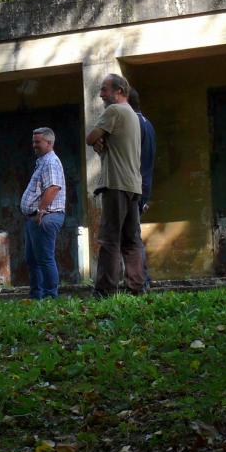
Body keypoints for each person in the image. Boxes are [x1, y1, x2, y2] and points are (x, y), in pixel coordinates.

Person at [85, 73, 145, 296]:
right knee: (132, 240)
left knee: (110, 239)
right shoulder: (131, 114)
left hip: (116, 183)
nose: (101, 94)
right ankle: (136, 288)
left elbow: (90, 137)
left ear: (119, 91)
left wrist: (98, 140)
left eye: (104, 89)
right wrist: (101, 140)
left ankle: (105, 291)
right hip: (133, 185)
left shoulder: (114, 111)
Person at [20, 127, 66, 300]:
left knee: (45, 259)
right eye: (33, 141)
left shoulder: (51, 162)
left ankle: (49, 297)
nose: (34, 145)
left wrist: (41, 210)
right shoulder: (43, 162)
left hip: (45, 217)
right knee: (33, 260)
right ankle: (36, 297)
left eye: (37, 142)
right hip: (37, 217)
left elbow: (53, 187)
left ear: (49, 143)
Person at [128, 88, 157, 290]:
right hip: (142, 186)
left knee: (131, 237)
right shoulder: (147, 123)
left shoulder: (134, 124)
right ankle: (141, 280)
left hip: (133, 187)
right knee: (132, 234)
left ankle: (141, 281)